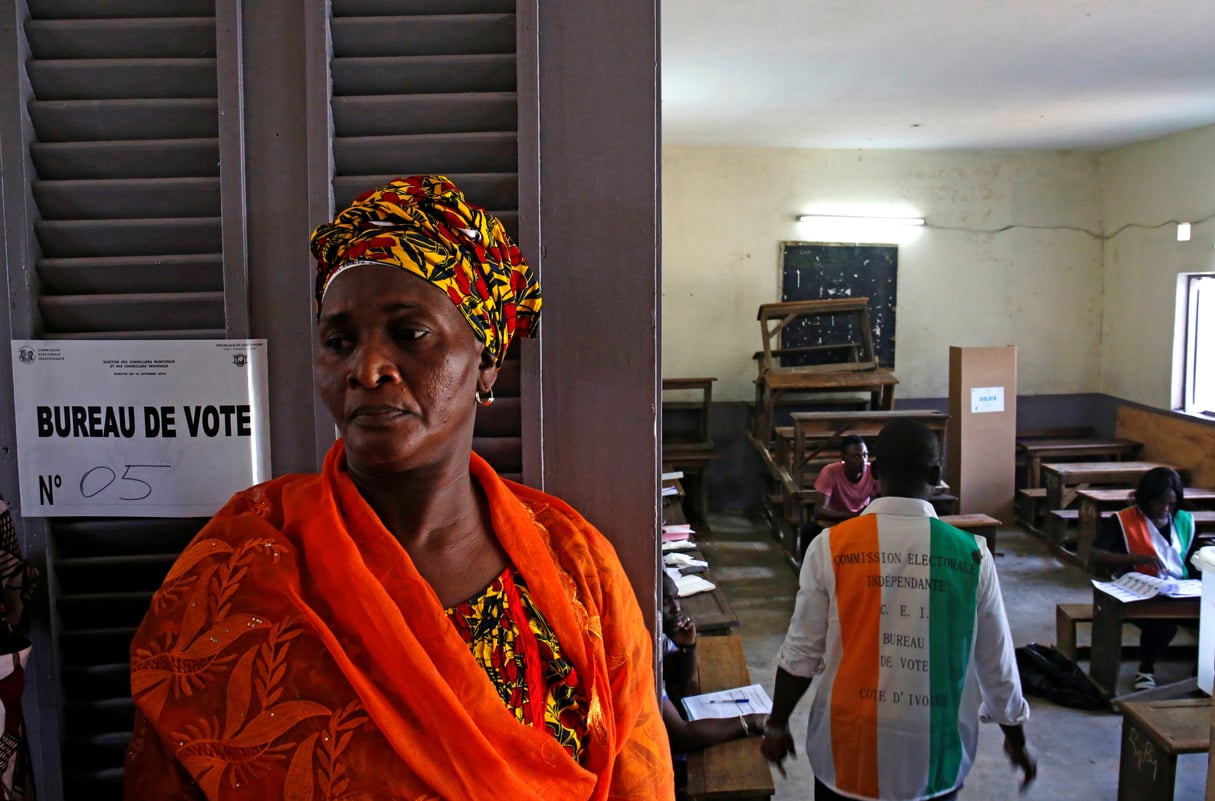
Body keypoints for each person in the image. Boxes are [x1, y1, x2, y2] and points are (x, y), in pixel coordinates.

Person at [124, 175, 674, 800]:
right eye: (339, 342)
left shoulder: (574, 565)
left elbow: (636, 776)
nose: (366, 369)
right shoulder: (239, 569)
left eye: (410, 334)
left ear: (486, 360)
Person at [761, 418, 1035, 801]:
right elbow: (996, 661)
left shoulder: (830, 547)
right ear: (936, 474)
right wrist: (1016, 738)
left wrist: (777, 724)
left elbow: (801, 651)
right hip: (934, 751)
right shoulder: (972, 555)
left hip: (847, 746)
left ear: (874, 472)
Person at [1089, 466, 1199, 691]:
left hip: (1179, 588)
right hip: (1139, 588)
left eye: (1171, 504)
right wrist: (1136, 557)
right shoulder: (1124, 520)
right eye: (1159, 503)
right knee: (1162, 624)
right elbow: (1095, 554)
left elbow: (1193, 557)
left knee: (1209, 617)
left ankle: (1201, 674)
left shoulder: (1184, 520)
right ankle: (1145, 670)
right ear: (1145, 498)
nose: (1164, 509)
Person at [658, 574, 765, 787]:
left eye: (676, 598)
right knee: (738, 767)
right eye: (666, 601)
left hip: (671, 746)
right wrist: (748, 722)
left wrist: (689, 646)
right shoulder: (646, 646)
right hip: (665, 764)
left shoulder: (660, 636)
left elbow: (682, 675)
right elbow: (681, 735)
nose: (676, 608)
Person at [800, 434, 878, 560]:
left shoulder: (872, 471)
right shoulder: (830, 472)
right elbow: (819, 511)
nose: (862, 460)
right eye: (856, 456)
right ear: (844, 458)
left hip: (860, 520)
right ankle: (806, 572)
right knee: (809, 532)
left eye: (865, 455)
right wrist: (852, 515)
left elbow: (884, 498)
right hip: (833, 519)